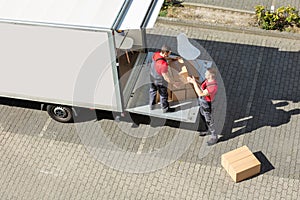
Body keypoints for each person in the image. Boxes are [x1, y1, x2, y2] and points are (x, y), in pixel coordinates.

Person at [187, 67, 218, 146]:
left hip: (207, 105)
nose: (205, 74)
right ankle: (205, 129)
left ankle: (214, 136)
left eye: (206, 73)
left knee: (209, 121)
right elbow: (201, 87)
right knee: (202, 115)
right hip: (202, 102)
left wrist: (194, 83)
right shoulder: (207, 81)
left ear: (211, 75)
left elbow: (200, 93)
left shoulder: (212, 87)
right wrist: (194, 81)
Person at [149, 45, 180, 113]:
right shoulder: (163, 64)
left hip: (152, 76)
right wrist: (174, 83)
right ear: (165, 53)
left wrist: (172, 59)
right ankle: (165, 109)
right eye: (169, 53)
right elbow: (166, 77)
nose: (169, 55)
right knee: (163, 95)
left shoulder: (156, 54)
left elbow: (162, 58)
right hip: (160, 81)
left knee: (152, 91)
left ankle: (152, 105)